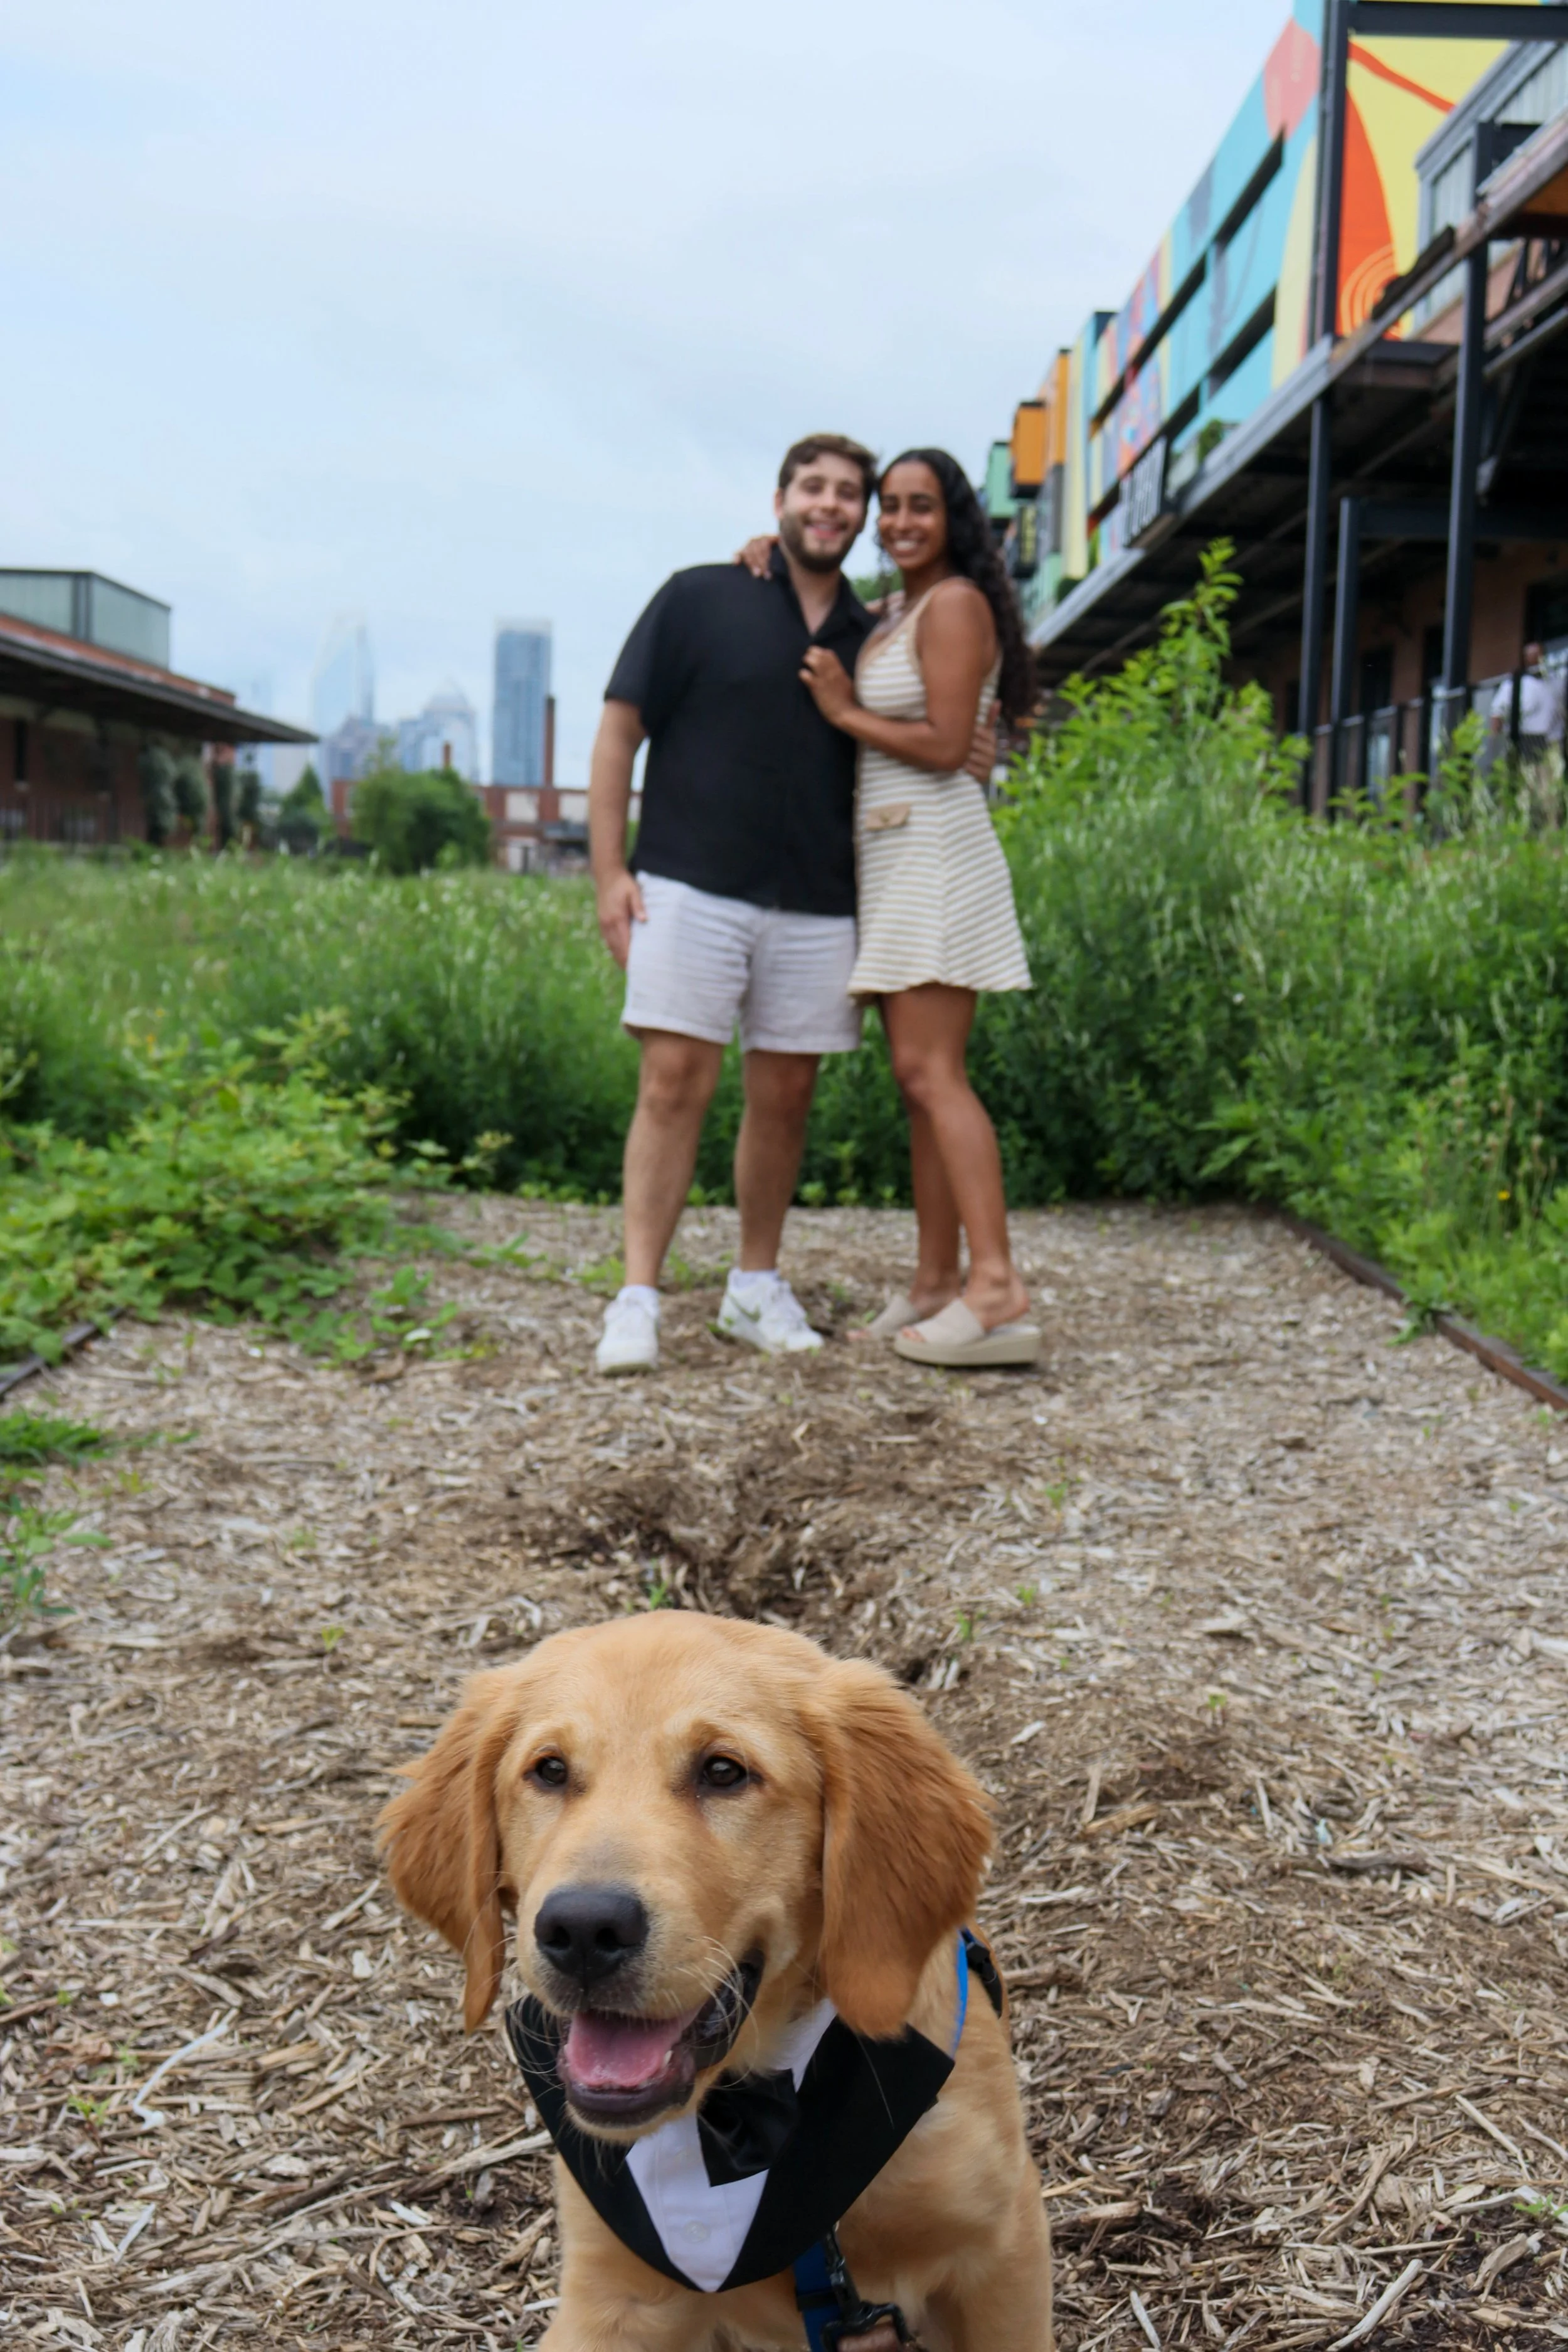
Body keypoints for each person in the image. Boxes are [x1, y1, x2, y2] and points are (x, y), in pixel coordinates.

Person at [587, 435, 884, 1375]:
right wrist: (608, 873)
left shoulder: (871, 637)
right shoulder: (700, 595)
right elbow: (617, 733)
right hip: (686, 878)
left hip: (818, 899)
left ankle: (754, 1287)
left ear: (863, 516)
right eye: (813, 487)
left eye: (847, 494)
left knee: (788, 1096)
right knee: (674, 1083)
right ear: (780, 498)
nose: (828, 504)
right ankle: (637, 1298)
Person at [796, 448, 1039, 1370]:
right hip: (896, 859)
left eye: (921, 507)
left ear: (955, 519)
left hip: (937, 849)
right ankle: (938, 1281)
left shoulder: (958, 605)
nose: (900, 521)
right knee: (917, 1078)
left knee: (935, 1071)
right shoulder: (897, 608)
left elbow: (943, 744)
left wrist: (844, 711)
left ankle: (998, 1287)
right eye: (889, 506)